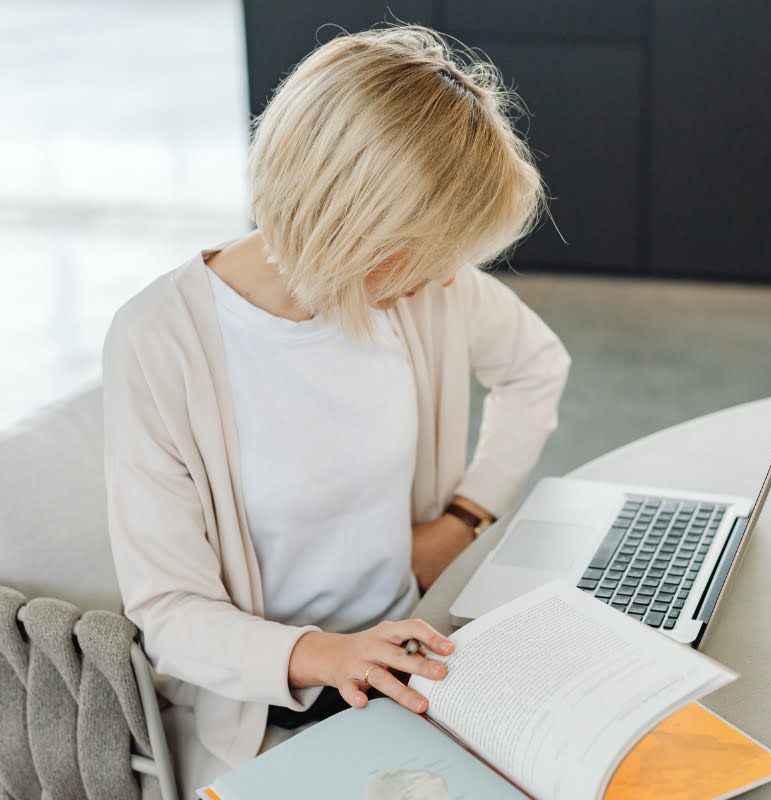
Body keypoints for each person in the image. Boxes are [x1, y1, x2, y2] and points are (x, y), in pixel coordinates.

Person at [101, 24, 569, 793]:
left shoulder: (423, 289)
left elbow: (534, 366)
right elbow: (171, 612)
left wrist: (466, 518)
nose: (441, 279)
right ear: (348, 223)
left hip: (421, 653)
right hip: (274, 705)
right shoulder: (160, 341)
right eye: (422, 254)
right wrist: (330, 655)